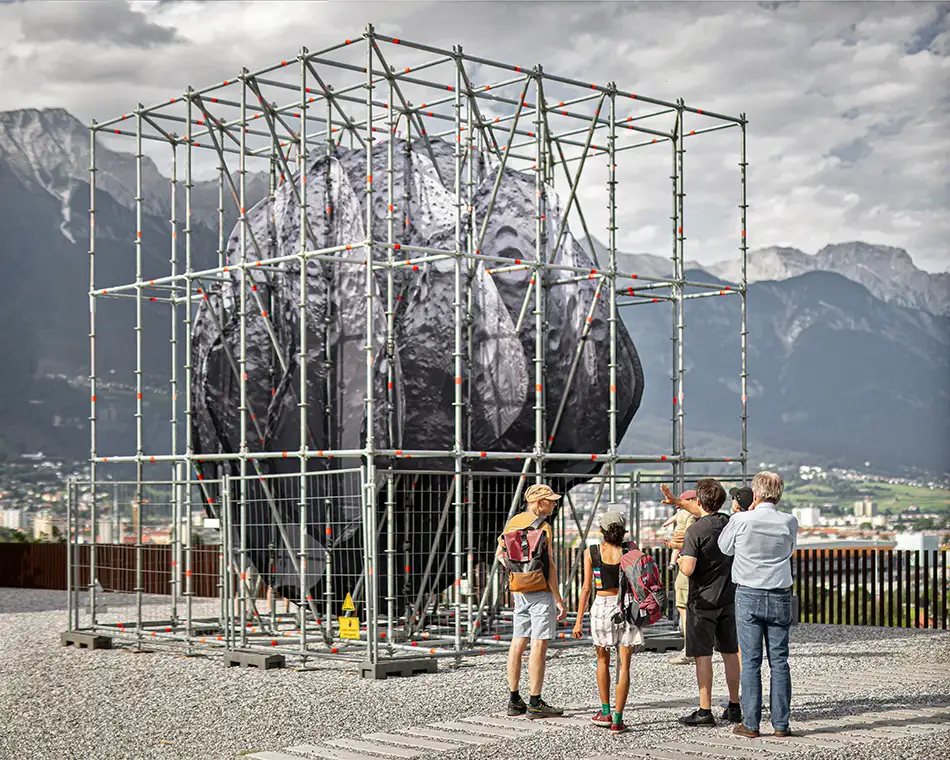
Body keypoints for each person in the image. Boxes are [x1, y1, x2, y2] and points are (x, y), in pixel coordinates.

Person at [718, 471, 798, 739]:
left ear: (756, 493)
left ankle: (751, 724)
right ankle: (781, 724)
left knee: (751, 661)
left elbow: (725, 547)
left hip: (749, 593)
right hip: (779, 593)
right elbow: (789, 551)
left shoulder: (741, 519)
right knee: (780, 661)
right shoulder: (789, 520)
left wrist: (744, 515)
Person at [673, 478, 742, 727]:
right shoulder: (729, 523)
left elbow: (689, 569)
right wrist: (679, 502)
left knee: (703, 656)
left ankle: (705, 710)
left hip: (702, 601)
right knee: (730, 653)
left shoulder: (695, 531)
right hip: (728, 597)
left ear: (699, 501)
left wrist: (680, 558)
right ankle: (735, 705)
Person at [496, 483, 567, 719]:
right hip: (540, 590)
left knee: (517, 642)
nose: (554, 504)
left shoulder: (513, 522)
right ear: (538, 502)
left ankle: (514, 699)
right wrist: (558, 599)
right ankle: (535, 701)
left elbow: (500, 555)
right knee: (538, 644)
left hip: (519, 590)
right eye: (551, 500)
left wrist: (517, 574)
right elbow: (550, 566)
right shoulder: (544, 527)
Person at [572, 511, 643, 734]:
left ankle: (605, 711)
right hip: (626, 606)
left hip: (602, 606)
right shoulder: (631, 551)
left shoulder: (592, 552)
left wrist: (577, 621)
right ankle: (618, 719)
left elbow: (585, 588)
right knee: (624, 666)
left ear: (601, 530)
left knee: (602, 660)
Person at [661, 488, 699, 665]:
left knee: (684, 609)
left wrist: (674, 543)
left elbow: (684, 540)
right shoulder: (708, 520)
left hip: (687, 566)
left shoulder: (689, 519)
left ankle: (689, 649)